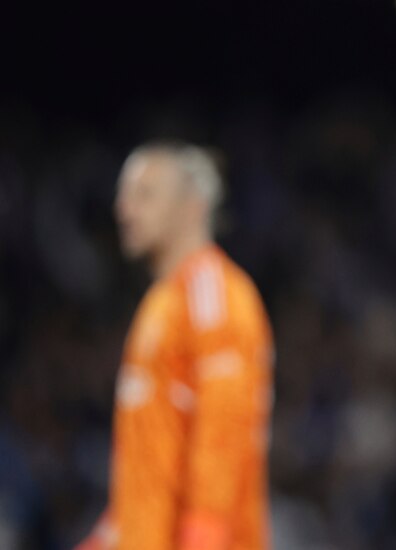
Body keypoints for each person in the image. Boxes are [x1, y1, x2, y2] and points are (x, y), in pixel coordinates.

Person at [77, 142, 273, 550]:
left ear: (193, 206)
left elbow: (224, 441)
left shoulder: (215, 295)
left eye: (144, 194)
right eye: (123, 195)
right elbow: (150, 461)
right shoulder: (160, 304)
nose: (124, 209)